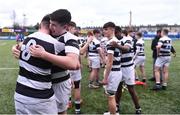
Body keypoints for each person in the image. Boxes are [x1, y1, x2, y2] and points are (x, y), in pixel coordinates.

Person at [30, 9, 80, 114]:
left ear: (65, 27)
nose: (50, 27)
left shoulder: (70, 39)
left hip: (59, 83)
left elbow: (73, 63)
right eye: (50, 23)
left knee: (60, 112)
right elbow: (27, 43)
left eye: (54, 25)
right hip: (43, 83)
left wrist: (44, 54)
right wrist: (15, 47)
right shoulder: (48, 34)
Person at [13, 14, 61, 114]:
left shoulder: (27, 38)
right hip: (40, 98)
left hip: (19, 94)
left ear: (40, 24)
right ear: (52, 26)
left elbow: (18, 47)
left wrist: (14, 47)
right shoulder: (54, 43)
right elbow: (73, 64)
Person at [110, 29, 141, 114]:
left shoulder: (127, 39)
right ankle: (116, 106)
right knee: (118, 88)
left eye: (115, 33)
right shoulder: (113, 40)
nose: (114, 35)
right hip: (118, 68)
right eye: (113, 33)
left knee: (131, 89)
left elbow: (126, 49)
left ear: (120, 32)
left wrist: (116, 45)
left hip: (128, 68)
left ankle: (138, 108)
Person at [101, 22, 122, 114]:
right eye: (103, 29)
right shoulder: (115, 40)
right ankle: (112, 112)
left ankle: (113, 113)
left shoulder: (111, 42)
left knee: (111, 96)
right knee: (110, 95)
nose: (104, 31)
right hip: (115, 71)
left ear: (112, 30)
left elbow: (110, 61)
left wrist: (105, 78)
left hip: (113, 72)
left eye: (106, 29)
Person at [67, 21, 82, 114]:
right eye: (74, 28)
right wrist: (88, 42)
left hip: (65, 66)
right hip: (74, 66)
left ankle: (68, 102)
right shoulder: (75, 39)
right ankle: (77, 110)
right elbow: (80, 52)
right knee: (76, 87)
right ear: (70, 28)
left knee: (67, 86)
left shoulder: (60, 37)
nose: (75, 30)